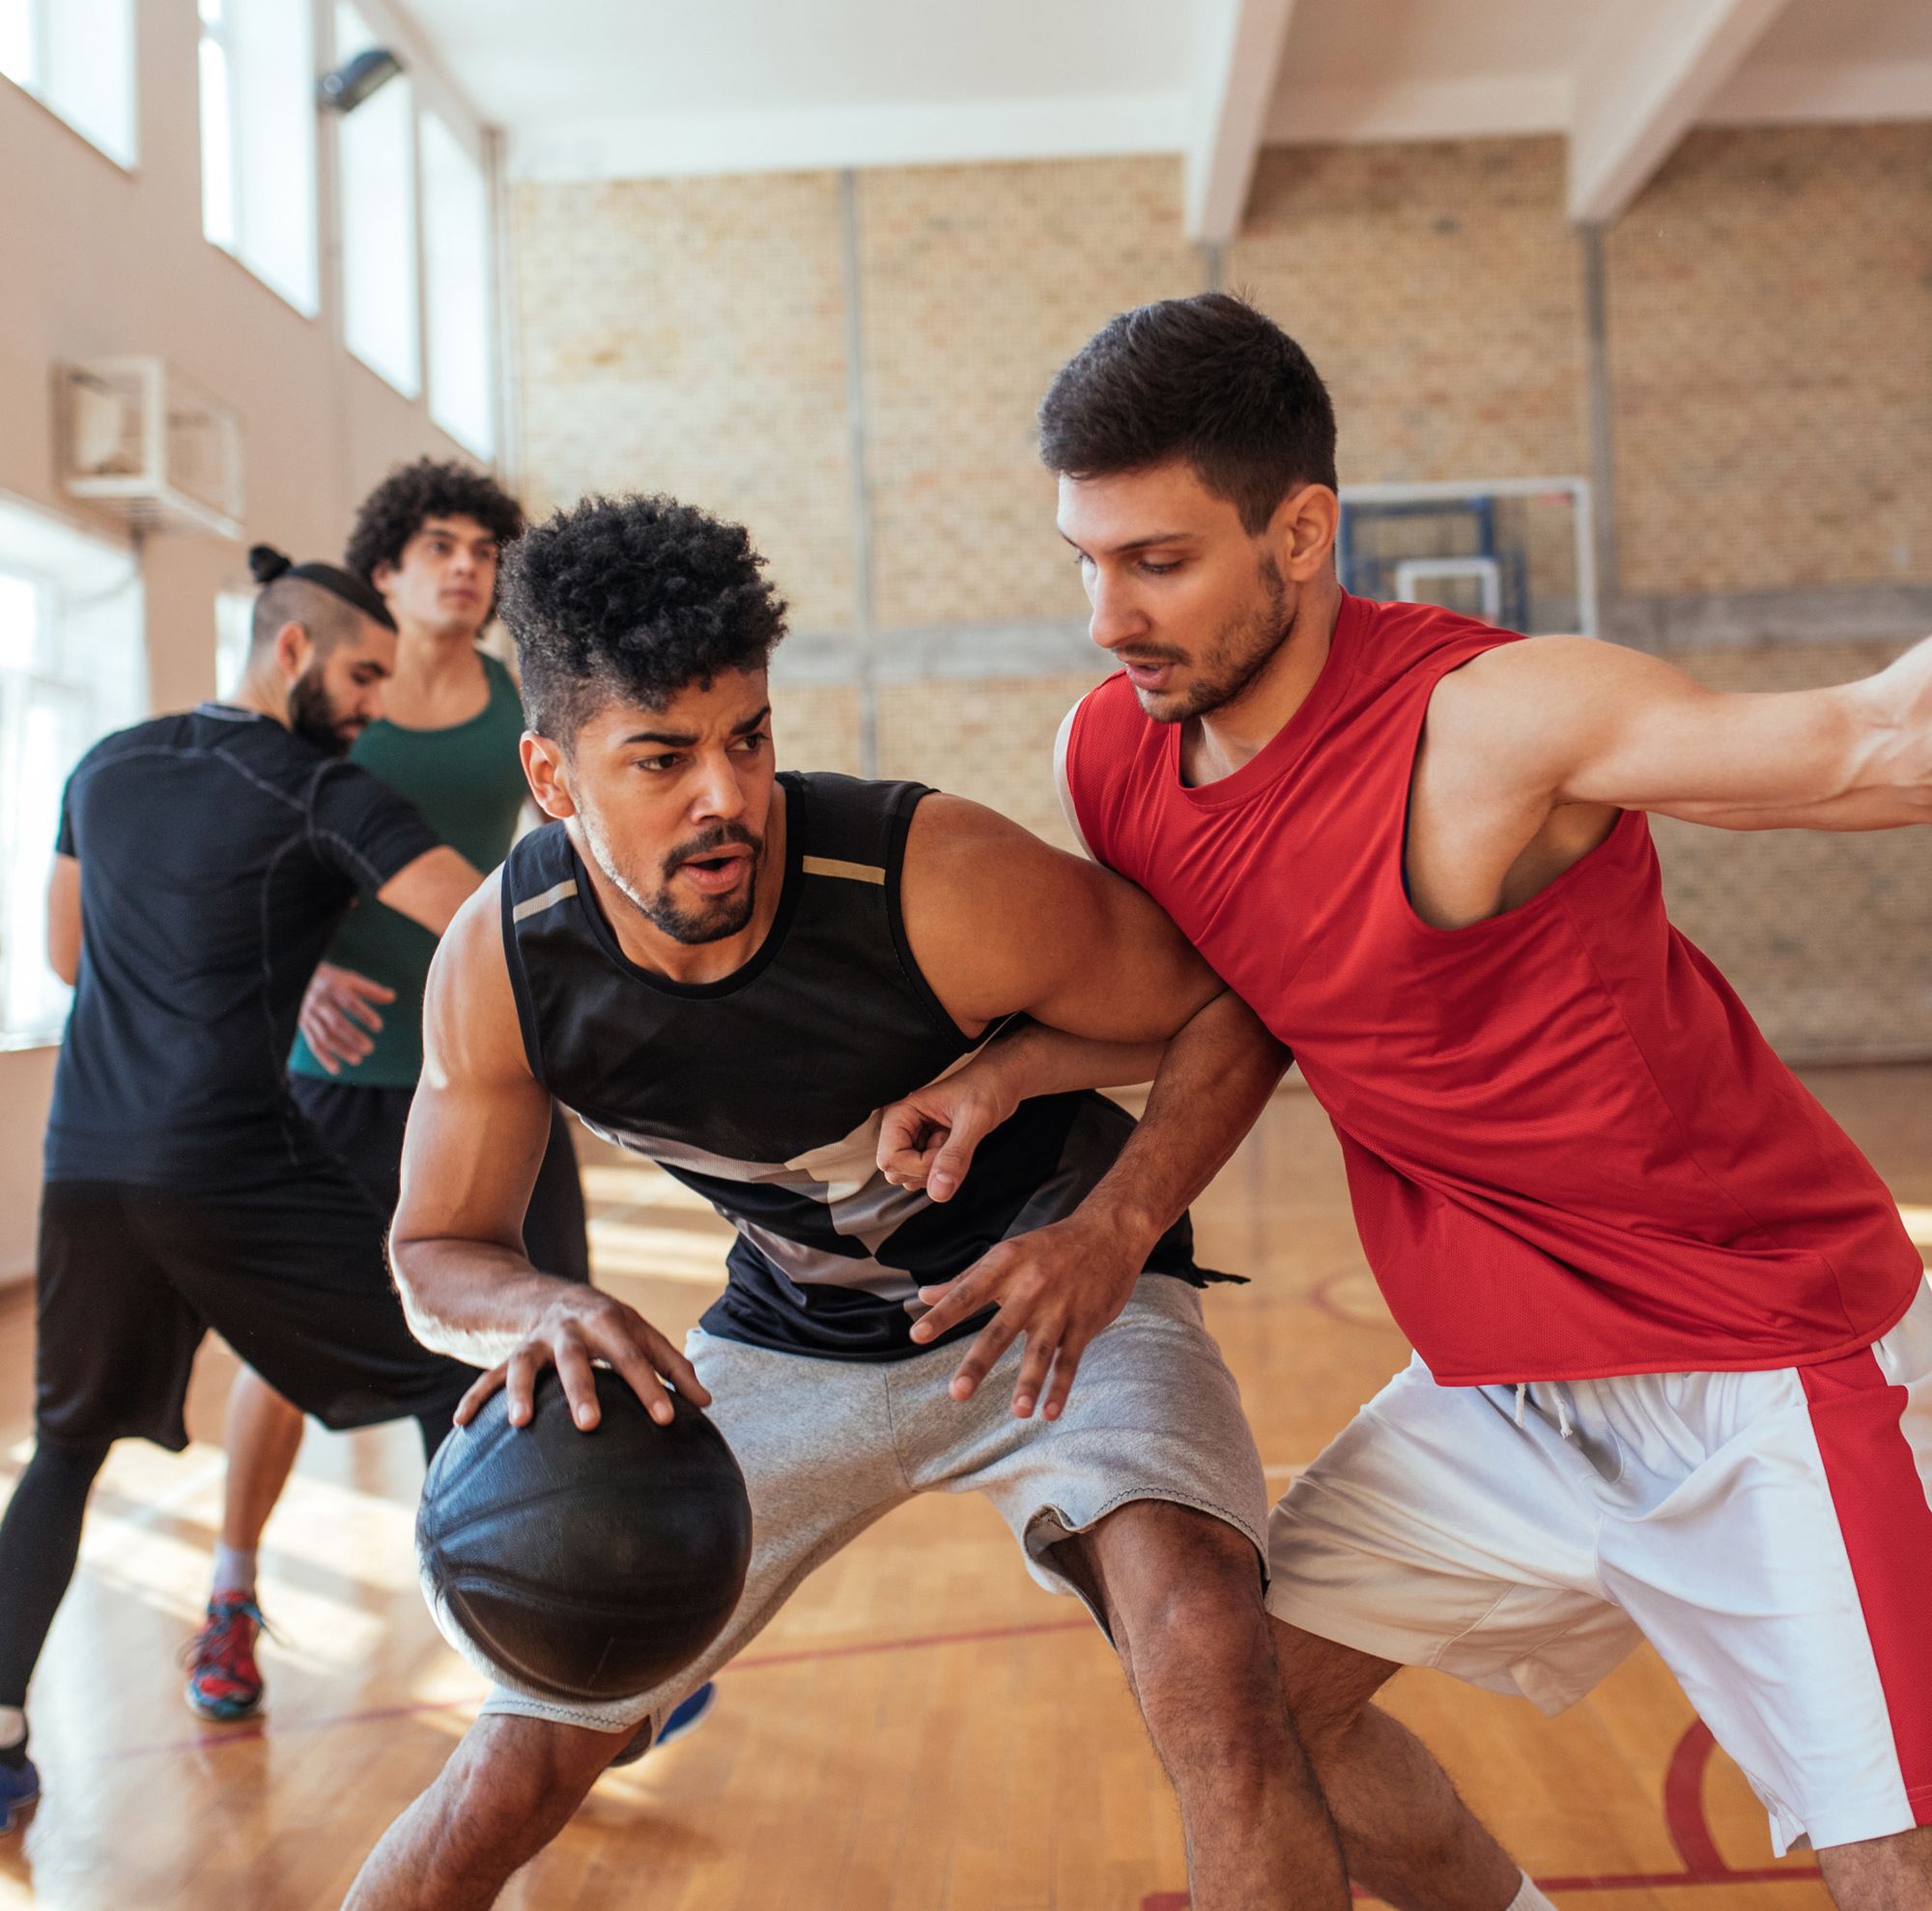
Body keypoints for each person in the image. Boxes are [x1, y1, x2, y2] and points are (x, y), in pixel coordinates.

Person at [878, 293, 1932, 1909]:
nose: (1107, 615)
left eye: (1158, 562)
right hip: (1507, 1375)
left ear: (1301, 533)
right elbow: (1234, 991)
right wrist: (1017, 1063)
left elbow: (1876, 747)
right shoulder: (1119, 754)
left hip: (1759, 1355)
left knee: (1890, 1854)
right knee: (1248, 1717)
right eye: (1084, 560)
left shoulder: (1496, 722)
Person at [343, 494, 1351, 1910]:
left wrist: (1109, 1221)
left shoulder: (922, 879)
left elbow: (1234, 1005)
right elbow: (436, 1247)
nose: (727, 796)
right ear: (553, 777)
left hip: (1055, 1293)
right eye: (662, 758)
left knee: (1214, 1659)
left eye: (746, 737)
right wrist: (545, 1302)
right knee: (512, 1763)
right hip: (795, 1333)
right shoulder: (504, 960)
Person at [0, 550, 483, 1832]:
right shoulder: (326, 787)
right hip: (225, 1159)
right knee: (451, 1369)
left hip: (87, 1162)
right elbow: (484, 927)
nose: (377, 700)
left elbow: (69, 951)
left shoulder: (102, 763)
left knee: (65, 1447)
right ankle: (534, 1679)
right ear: (293, 650)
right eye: (364, 671)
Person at [186, 462, 592, 1727]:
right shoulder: (323, 707)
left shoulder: (518, 698)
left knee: (537, 1338)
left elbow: (562, 848)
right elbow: (237, 850)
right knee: (286, 1355)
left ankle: (554, 1632)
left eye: (483, 547)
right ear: (385, 569)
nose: (465, 565)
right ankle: (234, 1589)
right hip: (341, 1080)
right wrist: (296, 969)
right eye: (436, 544)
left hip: (491, 1069)